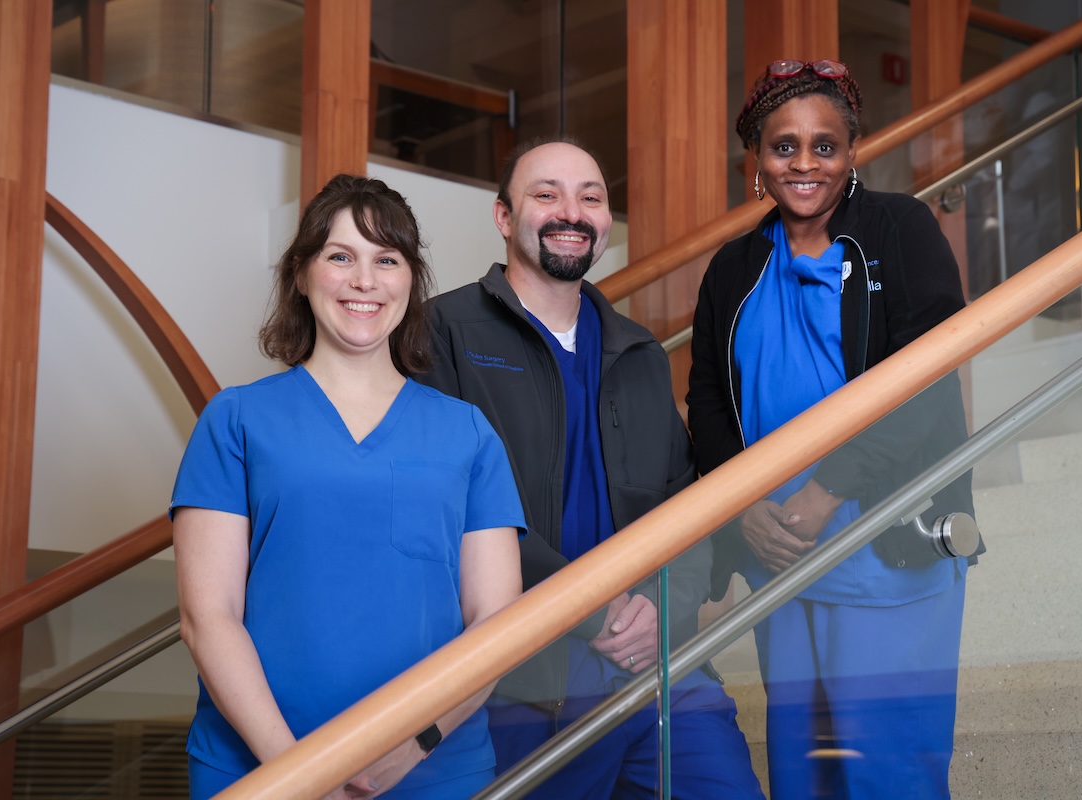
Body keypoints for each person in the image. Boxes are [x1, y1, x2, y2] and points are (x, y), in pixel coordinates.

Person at [418, 139, 765, 799]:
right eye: (545, 194)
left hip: (659, 666)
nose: (570, 212)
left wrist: (669, 607)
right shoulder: (445, 332)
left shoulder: (638, 351)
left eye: (592, 196)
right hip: (528, 676)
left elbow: (684, 505)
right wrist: (592, 610)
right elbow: (448, 506)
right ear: (502, 216)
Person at [171, 175, 525, 800]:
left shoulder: (467, 432)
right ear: (302, 276)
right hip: (260, 769)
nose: (366, 280)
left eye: (387, 260)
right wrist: (298, 771)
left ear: (410, 281)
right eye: (341, 257)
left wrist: (414, 745)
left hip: (435, 772)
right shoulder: (236, 420)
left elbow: (496, 623)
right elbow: (208, 616)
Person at [686, 60, 983, 799]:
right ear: (756, 160)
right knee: (803, 777)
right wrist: (742, 508)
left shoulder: (900, 229)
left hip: (884, 548)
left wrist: (824, 491)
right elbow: (710, 403)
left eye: (826, 145)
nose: (805, 163)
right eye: (784, 146)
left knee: (889, 775)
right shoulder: (732, 268)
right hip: (777, 559)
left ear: (853, 152)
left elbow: (928, 376)